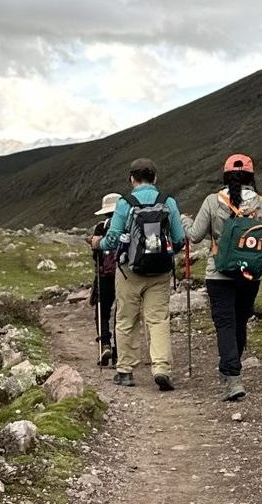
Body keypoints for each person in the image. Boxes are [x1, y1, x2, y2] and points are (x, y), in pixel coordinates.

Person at [181, 154, 262, 401]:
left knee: (225, 323)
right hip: (249, 274)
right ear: (251, 177)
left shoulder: (213, 201)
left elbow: (195, 235)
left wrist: (184, 220)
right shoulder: (261, 203)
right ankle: (231, 369)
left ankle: (232, 377)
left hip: (218, 274)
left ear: (225, 175)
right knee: (240, 320)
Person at [92, 158, 185, 391]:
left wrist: (97, 242)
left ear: (132, 179)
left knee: (126, 319)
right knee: (158, 319)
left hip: (128, 271)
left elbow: (112, 240)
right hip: (160, 271)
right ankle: (161, 368)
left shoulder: (125, 203)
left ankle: (125, 371)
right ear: (155, 178)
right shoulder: (168, 202)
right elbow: (179, 239)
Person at [90, 193, 121, 367]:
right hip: (123, 274)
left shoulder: (100, 228)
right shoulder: (125, 226)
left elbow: (96, 255)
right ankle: (118, 352)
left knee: (102, 310)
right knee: (121, 313)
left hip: (104, 276)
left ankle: (105, 344)